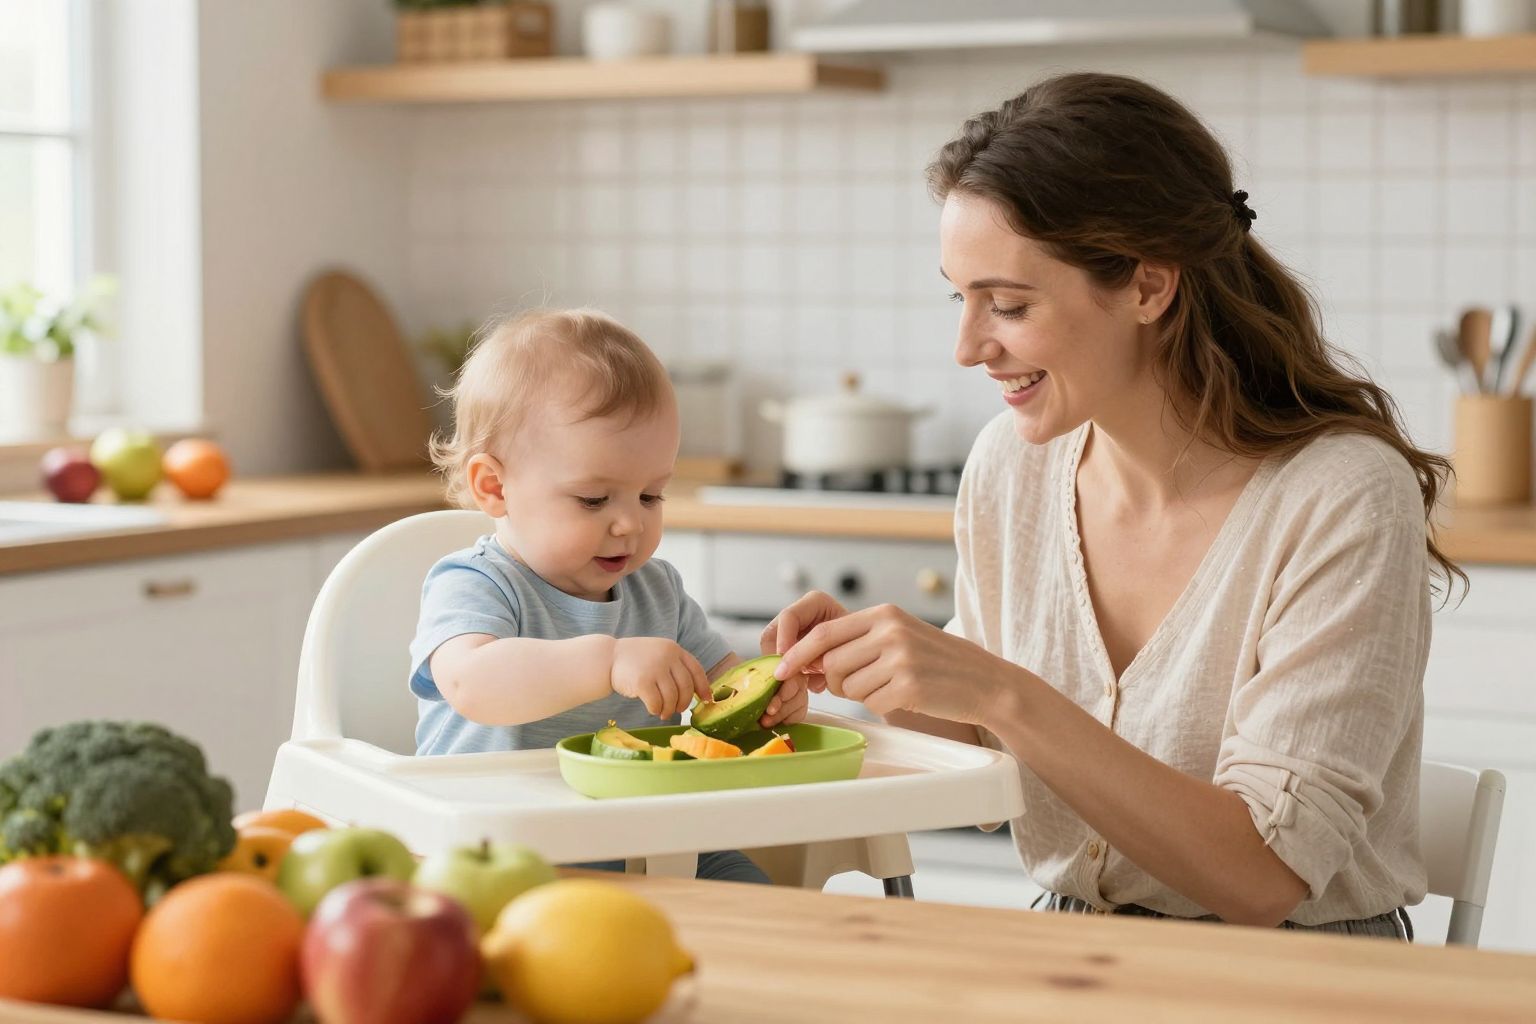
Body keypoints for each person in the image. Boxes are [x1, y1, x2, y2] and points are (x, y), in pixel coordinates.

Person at [766, 72, 1459, 937]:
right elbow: (988, 770)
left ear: (1146, 287)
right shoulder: (1009, 471)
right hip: (1075, 946)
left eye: (1009, 305)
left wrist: (1001, 690)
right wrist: (883, 674)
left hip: (1301, 975)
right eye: (961, 297)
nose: (968, 346)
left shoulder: (1341, 497)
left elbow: (1264, 879)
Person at [411, 308, 807, 883]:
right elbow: (471, 683)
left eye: (650, 496)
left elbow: (719, 686)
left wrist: (769, 699)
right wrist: (610, 660)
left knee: (756, 897)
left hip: (643, 838)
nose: (628, 525)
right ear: (494, 487)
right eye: (595, 500)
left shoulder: (657, 590)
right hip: (496, 852)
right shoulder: (476, 583)